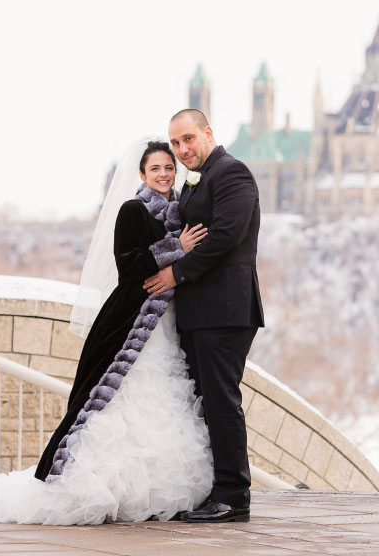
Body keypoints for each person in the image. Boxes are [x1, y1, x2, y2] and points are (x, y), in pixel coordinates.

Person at [0, 140, 214, 524]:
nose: (163, 174)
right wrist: (174, 247)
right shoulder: (133, 210)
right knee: (123, 401)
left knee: (164, 398)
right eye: (155, 169)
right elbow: (128, 265)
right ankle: (105, 488)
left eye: (168, 167)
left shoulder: (178, 211)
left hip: (165, 323)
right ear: (142, 174)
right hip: (133, 321)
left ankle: (156, 489)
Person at [143, 109, 264, 523]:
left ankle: (234, 496)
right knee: (205, 405)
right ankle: (214, 489)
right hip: (198, 312)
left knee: (221, 401)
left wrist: (175, 270)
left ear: (208, 133)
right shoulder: (195, 181)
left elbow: (226, 237)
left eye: (188, 139)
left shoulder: (233, 174)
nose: (181, 150)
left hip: (226, 311)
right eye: (175, 143)